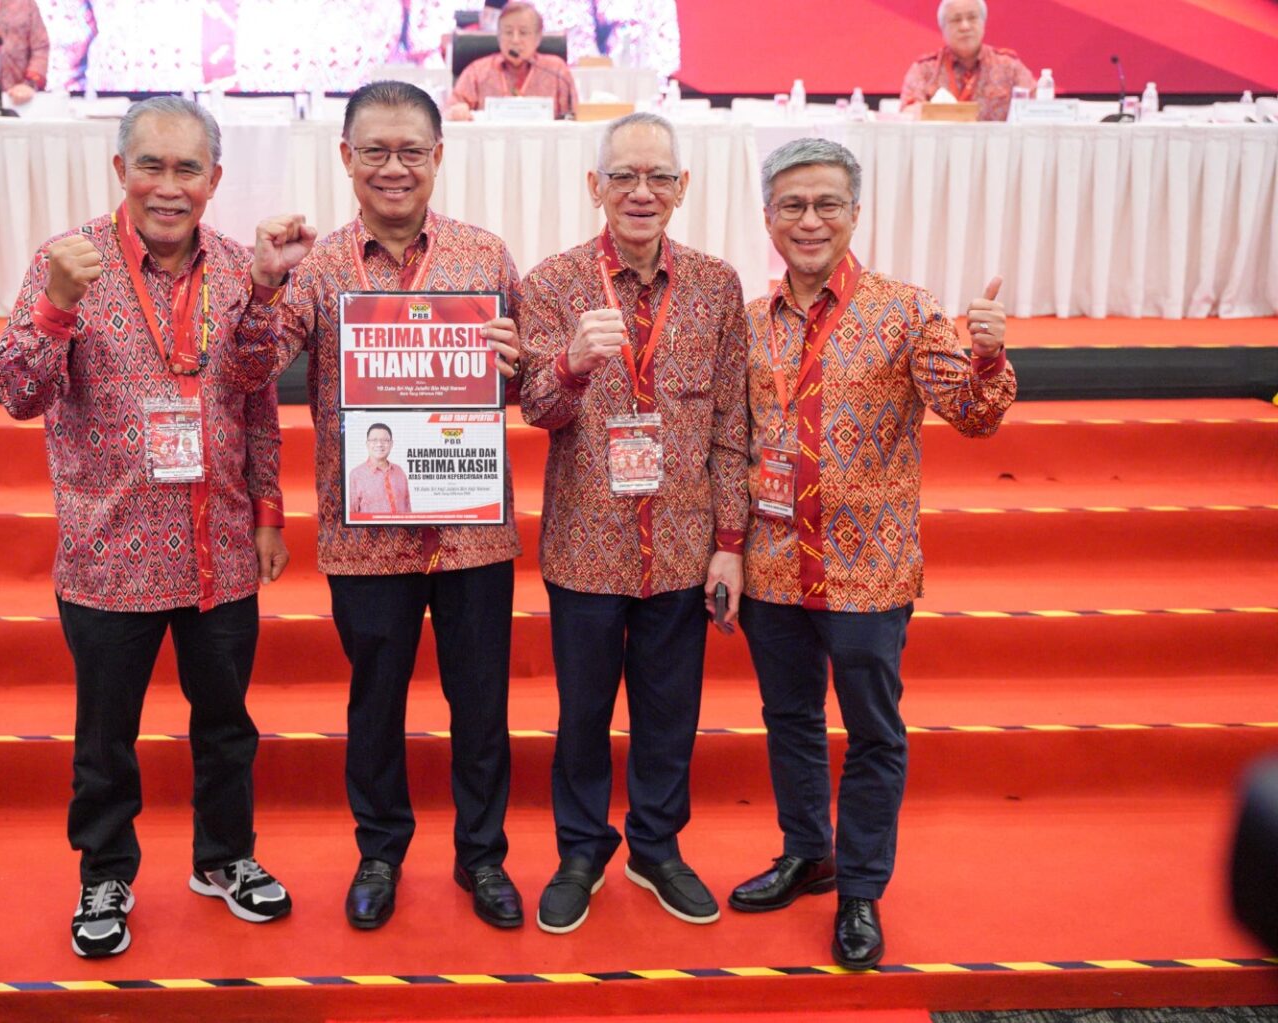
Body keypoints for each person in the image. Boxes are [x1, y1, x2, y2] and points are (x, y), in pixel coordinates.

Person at [0, 96, 292, 959]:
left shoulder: (238, 269)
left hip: (218, 548)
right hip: (108, 551)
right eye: (151, 166)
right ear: (120, 169)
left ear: (214, 179)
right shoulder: (69, 263)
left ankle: (224, 856)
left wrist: (268, 511)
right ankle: (105, 872)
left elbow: (258, 401)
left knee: (227, 724)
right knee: (106, 736)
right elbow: (18, 393)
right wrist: (55, 305)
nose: (169, 186)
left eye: (187, 168)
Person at [236, 81, 526, 931]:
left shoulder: (485, 256)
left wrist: (515, 362)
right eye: (375, 151)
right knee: (376, 702)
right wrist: (262, 287)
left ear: (438, 157)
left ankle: (483, 855)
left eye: (411, 152)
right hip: (365, 533)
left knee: (482, 703)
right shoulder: (318, 266)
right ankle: (380, 851)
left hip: (471, 530)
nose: (394, 168)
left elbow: (525, 383)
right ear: (346, 158)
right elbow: (252, 369)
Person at [727, 137, 1014, 969]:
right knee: (789, 718)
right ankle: (805, 851)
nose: (809, 220)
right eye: (792, 205)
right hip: (775, 564)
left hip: (868, 568)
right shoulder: (750, 324)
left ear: (855, 213)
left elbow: (973, 415)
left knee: (872, 731)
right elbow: (736, 444)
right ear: (768, 218)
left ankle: (859, 888)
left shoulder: (907, 311)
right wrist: (729, 548)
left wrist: (987, 354)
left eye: (827, 204)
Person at [518, 111, 749, 934]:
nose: (641, 192)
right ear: (596, 186)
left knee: (669, 711)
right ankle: (581, 850)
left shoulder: (717, 286)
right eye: (623, 175)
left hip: (683, 544)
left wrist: (730, 544)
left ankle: (656, 845)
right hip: (586, 542)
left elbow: (731, 424)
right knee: (582, 712)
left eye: (658, 177)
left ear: (682, 187)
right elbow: (536, 408)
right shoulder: (552, 284)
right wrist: (572, 363)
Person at [900, 0, 1036, 122]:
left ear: (983, 23)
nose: (965, 26)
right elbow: (908, 114)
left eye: (972, 18)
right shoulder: (924, 70)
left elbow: (1036, 108)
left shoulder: (1009, 67)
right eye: (956, 20)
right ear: (942, 28)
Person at [447, 2, 578, 120]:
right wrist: (457, 112)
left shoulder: (556, 70)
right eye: (508, 32)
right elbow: (450, 111)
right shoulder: (477, 71)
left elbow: (576, 116)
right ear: (499, 36)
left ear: (538, 37)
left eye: (523, 32)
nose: (515, 40)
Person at [349, 422, 412, 515]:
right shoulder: (356, 475)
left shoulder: (399, 471)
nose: (379, 444)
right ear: (367, 444)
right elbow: (351, 514)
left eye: (385, 440)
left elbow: (407, 508)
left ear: (391, 444)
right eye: (374, 440)